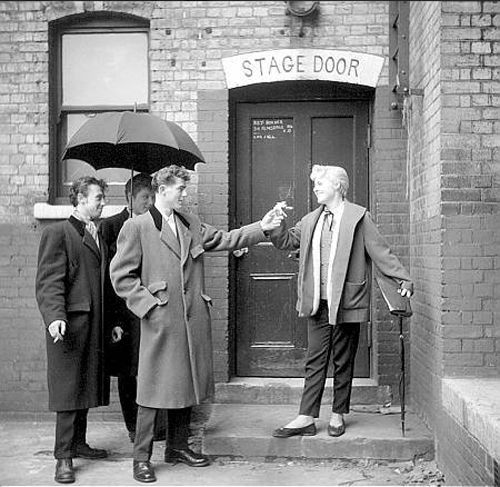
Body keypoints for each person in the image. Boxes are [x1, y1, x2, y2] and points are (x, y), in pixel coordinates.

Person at [110, 165, 283, 483]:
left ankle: (177, 448)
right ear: (162, 190)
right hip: (160, 320)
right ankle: (141, 458)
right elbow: (121, 276)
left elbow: (226, 239)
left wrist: (263, 226)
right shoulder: (137, 227)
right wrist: (149, 307)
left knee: (184, 383)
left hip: (191, 320)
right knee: (152, 390)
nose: (184, 194)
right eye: (180, 189)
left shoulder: (189, 222)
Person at [267, 165, 413, 439]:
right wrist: (276, 225)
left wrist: (402, 278)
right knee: (315, 359)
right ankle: (306, 416)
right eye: (315, 184)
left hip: (347, 300)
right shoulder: (311, 219)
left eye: (320, 184)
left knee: (343, 360)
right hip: (317, 302)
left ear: (337, 185)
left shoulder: (359, 217)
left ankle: (338, 414)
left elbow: (381, 252)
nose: (315, 188)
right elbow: (288, 241)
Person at [35, 176, 110, 484]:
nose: (103, 202)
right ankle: (63, 457)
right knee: (68, 391)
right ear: (80, 199)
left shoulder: (96, 233)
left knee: (85, 385)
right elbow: (49, 282)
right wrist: (55, 317)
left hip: (93, 323)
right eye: (98, 198)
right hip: (69, 326)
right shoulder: (58, 232)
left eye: (103, 197)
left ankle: (79, 443)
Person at [100, 172, 166, 443]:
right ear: (129, 197)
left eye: (152, 197)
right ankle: (133, 426)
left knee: (154, 367)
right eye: (144, 197)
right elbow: (108, 279)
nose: (149, 203)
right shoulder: (111, 227)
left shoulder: (158, 225)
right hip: (124, 314)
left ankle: (156, 426)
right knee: (128, 372)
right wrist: (114, 322)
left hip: (151, 308)